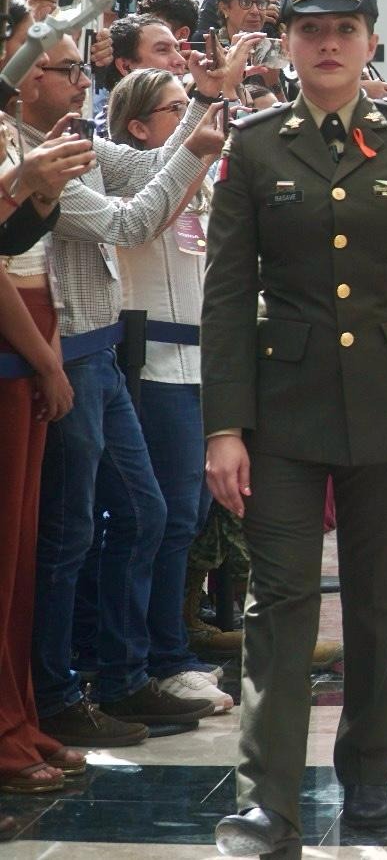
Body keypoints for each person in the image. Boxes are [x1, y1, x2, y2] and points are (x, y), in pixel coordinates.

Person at [204, 0, 387, 856]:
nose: (327, 46)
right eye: (310, 31)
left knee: (374, 602)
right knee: (279, 602)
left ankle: (368, 773)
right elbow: (224, 295)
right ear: (287, 44)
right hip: (281, 413)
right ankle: (268, 803)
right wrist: (223, 425)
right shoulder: (254, 145)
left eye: (344, 31)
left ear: (369, 43)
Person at [19, 34, 230, 748]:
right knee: (69, 533)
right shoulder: (27, 154)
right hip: (68, 352)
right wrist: (197, 144)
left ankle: (123, 675)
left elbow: (145, 164)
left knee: (145, 513)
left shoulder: (69, 137)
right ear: (23, 79)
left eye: (83, 67)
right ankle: (57, 690)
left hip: (101, 354)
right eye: (66, 69)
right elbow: (131, 221)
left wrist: (203, 103)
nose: (82, 81)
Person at [109, 68, 254, 715]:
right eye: (178, 109)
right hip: (156, 369)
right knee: (160, 521)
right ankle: (153, 659)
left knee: (188, 520)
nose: (196, 122)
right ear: (140, 126)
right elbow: (146, 220)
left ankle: (169, 650)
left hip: (202, 368)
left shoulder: (198, 184)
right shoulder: (135, 176)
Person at [0, 117, 92, 796]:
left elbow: (19, 245)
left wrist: (38, 191)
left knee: (18, 559)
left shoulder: (13, 127)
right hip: (17, 339)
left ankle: (16, 716)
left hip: (31, 331)